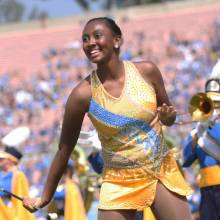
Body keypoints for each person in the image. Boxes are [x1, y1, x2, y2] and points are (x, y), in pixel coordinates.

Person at [23, 17, 192, 220]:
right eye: (85, 39)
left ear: (117, 40)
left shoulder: (147, 71)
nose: (90, 42)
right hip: (118, 180)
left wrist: (168, 117)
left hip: (160, 170)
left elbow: (168, 116)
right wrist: (44, 198)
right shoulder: (82, 95)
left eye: (97, 36)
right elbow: (64, 149)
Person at [182, 59, 220, 220]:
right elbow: (186, 159)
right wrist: (197, 132)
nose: (214, 108)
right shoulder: (200, 129)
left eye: (218, 104)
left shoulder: (212, 127)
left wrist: (212, 126)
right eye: (211, 104)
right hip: (206, 191)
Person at [0, 146, 35, 220]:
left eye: (1, 159)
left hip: (13, 214)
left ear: (10, 160)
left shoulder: (19, 176)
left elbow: (19, 196)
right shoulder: (2, 174)